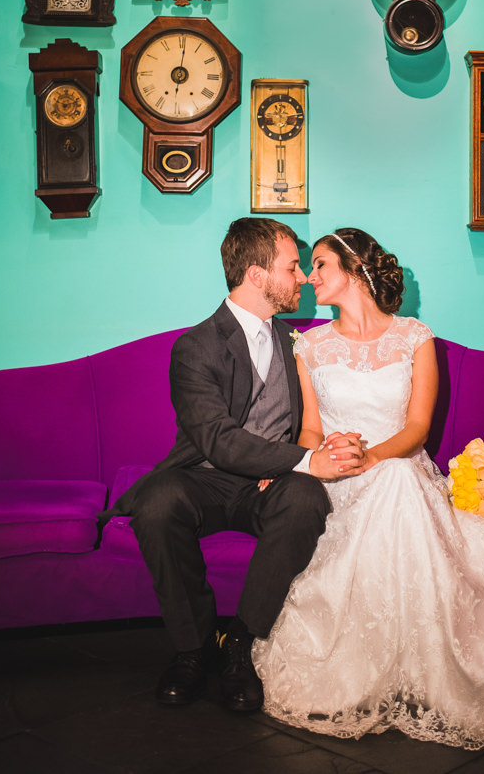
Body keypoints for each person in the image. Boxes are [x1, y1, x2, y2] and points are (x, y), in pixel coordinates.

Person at [253, 228, 484, 751]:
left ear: (353, 271)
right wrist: (315, 460)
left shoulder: (416, 338)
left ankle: (429, 673)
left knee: (395, 477)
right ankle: (353, 670)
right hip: (338, 475)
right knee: (376, 481)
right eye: (306, 267)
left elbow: (417, 429)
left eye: (321, 265)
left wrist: (372, 456)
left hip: (400, 469)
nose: (309, 276)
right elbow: (308, 429)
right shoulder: (309, 345)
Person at [100, 218, 367, 712]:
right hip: (204, 478)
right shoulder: (195, 346)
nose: (304, 278)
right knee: (157, 503)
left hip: (269, 484)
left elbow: (317, 413)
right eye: (292, 267)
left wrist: (315, 458)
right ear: (257, 275)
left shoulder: (298, 342)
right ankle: (191, 649)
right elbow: (218, 441)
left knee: (307, 497)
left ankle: (241, 646)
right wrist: (308, 459)